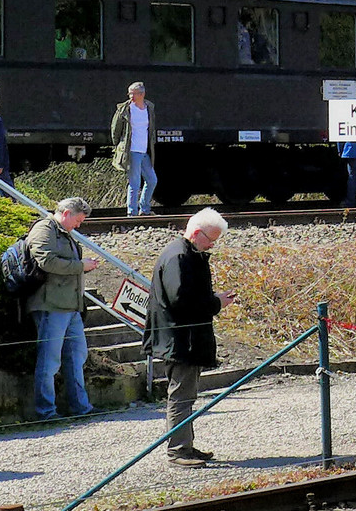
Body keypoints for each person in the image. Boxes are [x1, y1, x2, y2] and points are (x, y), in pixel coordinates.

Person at [148, 208, 236, 466]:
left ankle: (185, 444)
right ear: (196, 233)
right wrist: (215, 302)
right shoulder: (179, 257)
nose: (212, 245)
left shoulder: (184, 254)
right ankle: (178, 450)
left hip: (183, 338)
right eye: (211, 240)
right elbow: (181, 300)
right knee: (181, 395)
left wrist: (213, 300)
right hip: (180, 339)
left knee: (186, 395)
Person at [27, 197, 101, 420]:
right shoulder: (44, 229)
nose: (79, 225)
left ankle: (80, 406)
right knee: (50, 361)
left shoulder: (64, 233)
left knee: (76, 357)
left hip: (70, 306)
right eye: (78, 220)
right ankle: (46, 411)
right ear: (67, 213)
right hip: (51, 305)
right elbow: (46, 261)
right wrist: (80, 266)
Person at [112, 82, 159, 215]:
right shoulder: (125, 109)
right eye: (130, 93)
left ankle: (144, 208)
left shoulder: (149, 108)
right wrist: (119, 147)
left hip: (144, 151)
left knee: (151, 180)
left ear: (142, 94)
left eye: (134, 93)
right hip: (132, 150)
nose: (131, 96)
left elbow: (151, 128)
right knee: (135, 182)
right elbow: (115, 129)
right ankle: (132, 212)